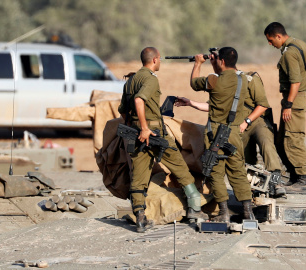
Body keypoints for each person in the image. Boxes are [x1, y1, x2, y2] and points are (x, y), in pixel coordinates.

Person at [118, 47, 207, 233]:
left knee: (139, 176)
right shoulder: (150, 78)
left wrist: (135, 127)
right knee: (180, 168)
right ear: (155, 60)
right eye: (160, 59)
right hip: (153, 132)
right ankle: (194, 209)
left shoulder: (131, 80)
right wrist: (145, 127)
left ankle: (140, 218)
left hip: (136, 134)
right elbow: (139, 101)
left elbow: (123, 110)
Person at [176, 54, 285, 197]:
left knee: (266, 143)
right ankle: (253, 185)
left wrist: (247, 121)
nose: (214, 65)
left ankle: (276, 181)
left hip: (256, 121)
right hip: (237, 125)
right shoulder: (222, 81)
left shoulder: (249, 78)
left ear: (223, 62)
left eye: (216, 61)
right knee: (244, 158)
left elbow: (263, 105)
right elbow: (213, 106)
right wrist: (191, 103)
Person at [189, 47, 254, 223]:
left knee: (216, 172)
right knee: (238, 171)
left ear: (221, 61)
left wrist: (198, 63)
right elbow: (226, 76)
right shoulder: (244, 80)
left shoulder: (214, 80)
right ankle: (248, 212)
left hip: (215, 133)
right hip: (233, 132)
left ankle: (224, 212)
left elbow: (194, 82)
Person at [264, 22, 306, 194]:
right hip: (298, 98)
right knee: (282, 141)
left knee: (293, 140)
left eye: (270, 40)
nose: (270, 44)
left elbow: (295, 82)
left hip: (294, 102)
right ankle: (295, 178)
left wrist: (288, 105)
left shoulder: (289, 53)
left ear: (279, 36)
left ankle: (303, 181)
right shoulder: (300, 43)